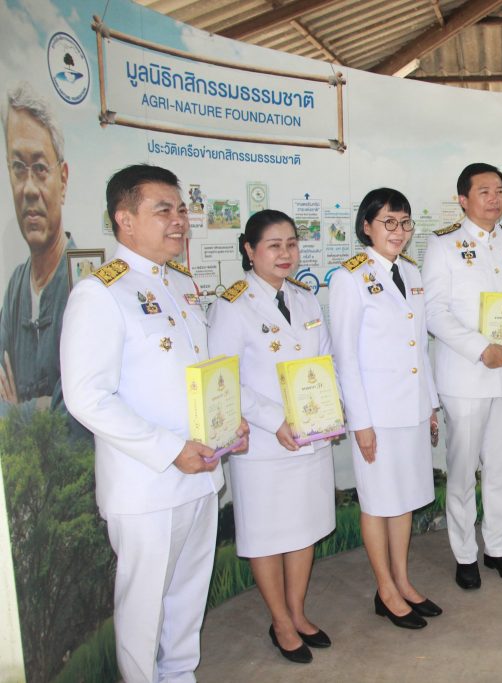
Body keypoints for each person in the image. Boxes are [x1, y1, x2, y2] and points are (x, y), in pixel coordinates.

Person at [60, 164, 249, 683]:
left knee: (187, 598)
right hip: (147, 483)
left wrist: (229, 421)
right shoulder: (101, 293)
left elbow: (197, 373)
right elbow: (87, 397)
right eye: (163, 210)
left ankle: (180, 675)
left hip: (201, 472)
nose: (179, 220)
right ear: (124, 219)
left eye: (181, 209)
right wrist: (169, 450)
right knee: (144, 609)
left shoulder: (181, 284)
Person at [207, 210, 336, 662]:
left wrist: (329, 411)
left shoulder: (305, 298)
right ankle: (280, 621)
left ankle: (297, 611)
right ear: (250, 249)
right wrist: (275, 419)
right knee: (266, 534)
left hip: (310, 435)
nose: (286, 254)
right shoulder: (231, 305)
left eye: (292, 244)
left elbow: (325, 361)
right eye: (274, 245)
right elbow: (224, 378)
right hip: (264, 443)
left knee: (304, 529)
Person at [423, 163, 502, 589]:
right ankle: (464, 554)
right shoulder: (443, 245)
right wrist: (480, 348)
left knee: (500, 469)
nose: (495, 199)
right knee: (462, 471)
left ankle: (497, 548)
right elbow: (434, 312)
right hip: (465, 378)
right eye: (485, 191)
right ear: (463, 199)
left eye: (500, 191)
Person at [331, 188, 441, 628]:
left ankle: (403, 581)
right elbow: (344, 357)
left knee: (405, 498)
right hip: (376, 415)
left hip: (411, 409)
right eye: (389, 222)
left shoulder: (411, 273)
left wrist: (430, 405)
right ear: (367, 226)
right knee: (378, 502)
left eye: (405, 222)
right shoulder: (350, 277)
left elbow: (420, 348)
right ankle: (385, 589)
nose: (399, 231)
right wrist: (360, 422)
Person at [1, 83, 74, 411]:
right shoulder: (15, 288)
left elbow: (73, 412)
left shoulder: (81, 280)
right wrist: (40, 408)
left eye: (40, 169)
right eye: (18, 168)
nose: (29, 189)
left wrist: (17, 410)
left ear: (63, 180)